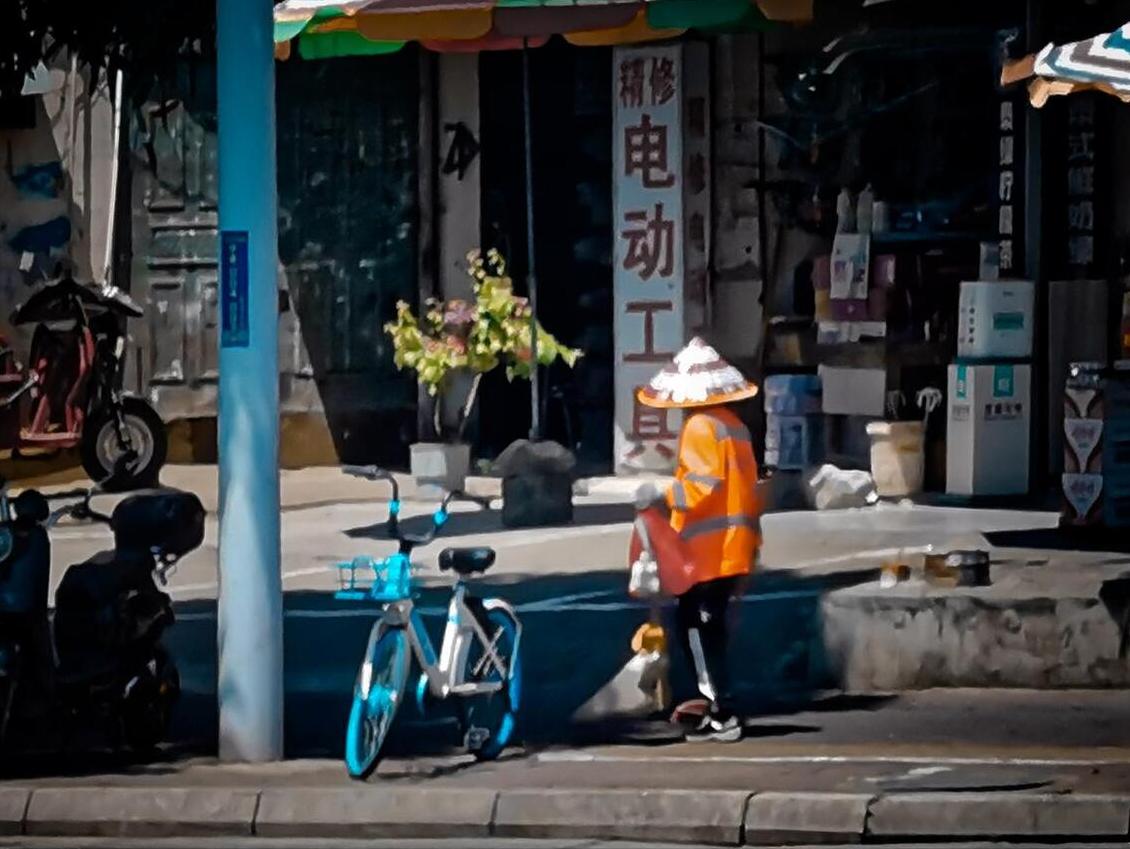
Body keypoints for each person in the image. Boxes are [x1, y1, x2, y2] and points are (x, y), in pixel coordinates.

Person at [636, 337, 762, 743]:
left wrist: (661, 494)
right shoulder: (735, 427)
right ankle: (715, 706)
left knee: (697, 629)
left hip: (708, 553)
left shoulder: (700, 427)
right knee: (711, 629)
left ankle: (721, 712)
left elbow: (700, 487)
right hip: (734, 546)